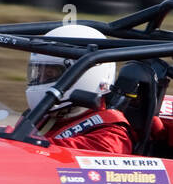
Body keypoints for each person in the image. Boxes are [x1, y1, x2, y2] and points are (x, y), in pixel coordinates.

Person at [25, 25, 133, 154]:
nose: (40, 80)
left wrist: (19, 141)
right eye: (38, 74)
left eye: (49, 74)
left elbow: (62, 155)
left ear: (87, 75)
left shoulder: (109, 136)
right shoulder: (46, 115)